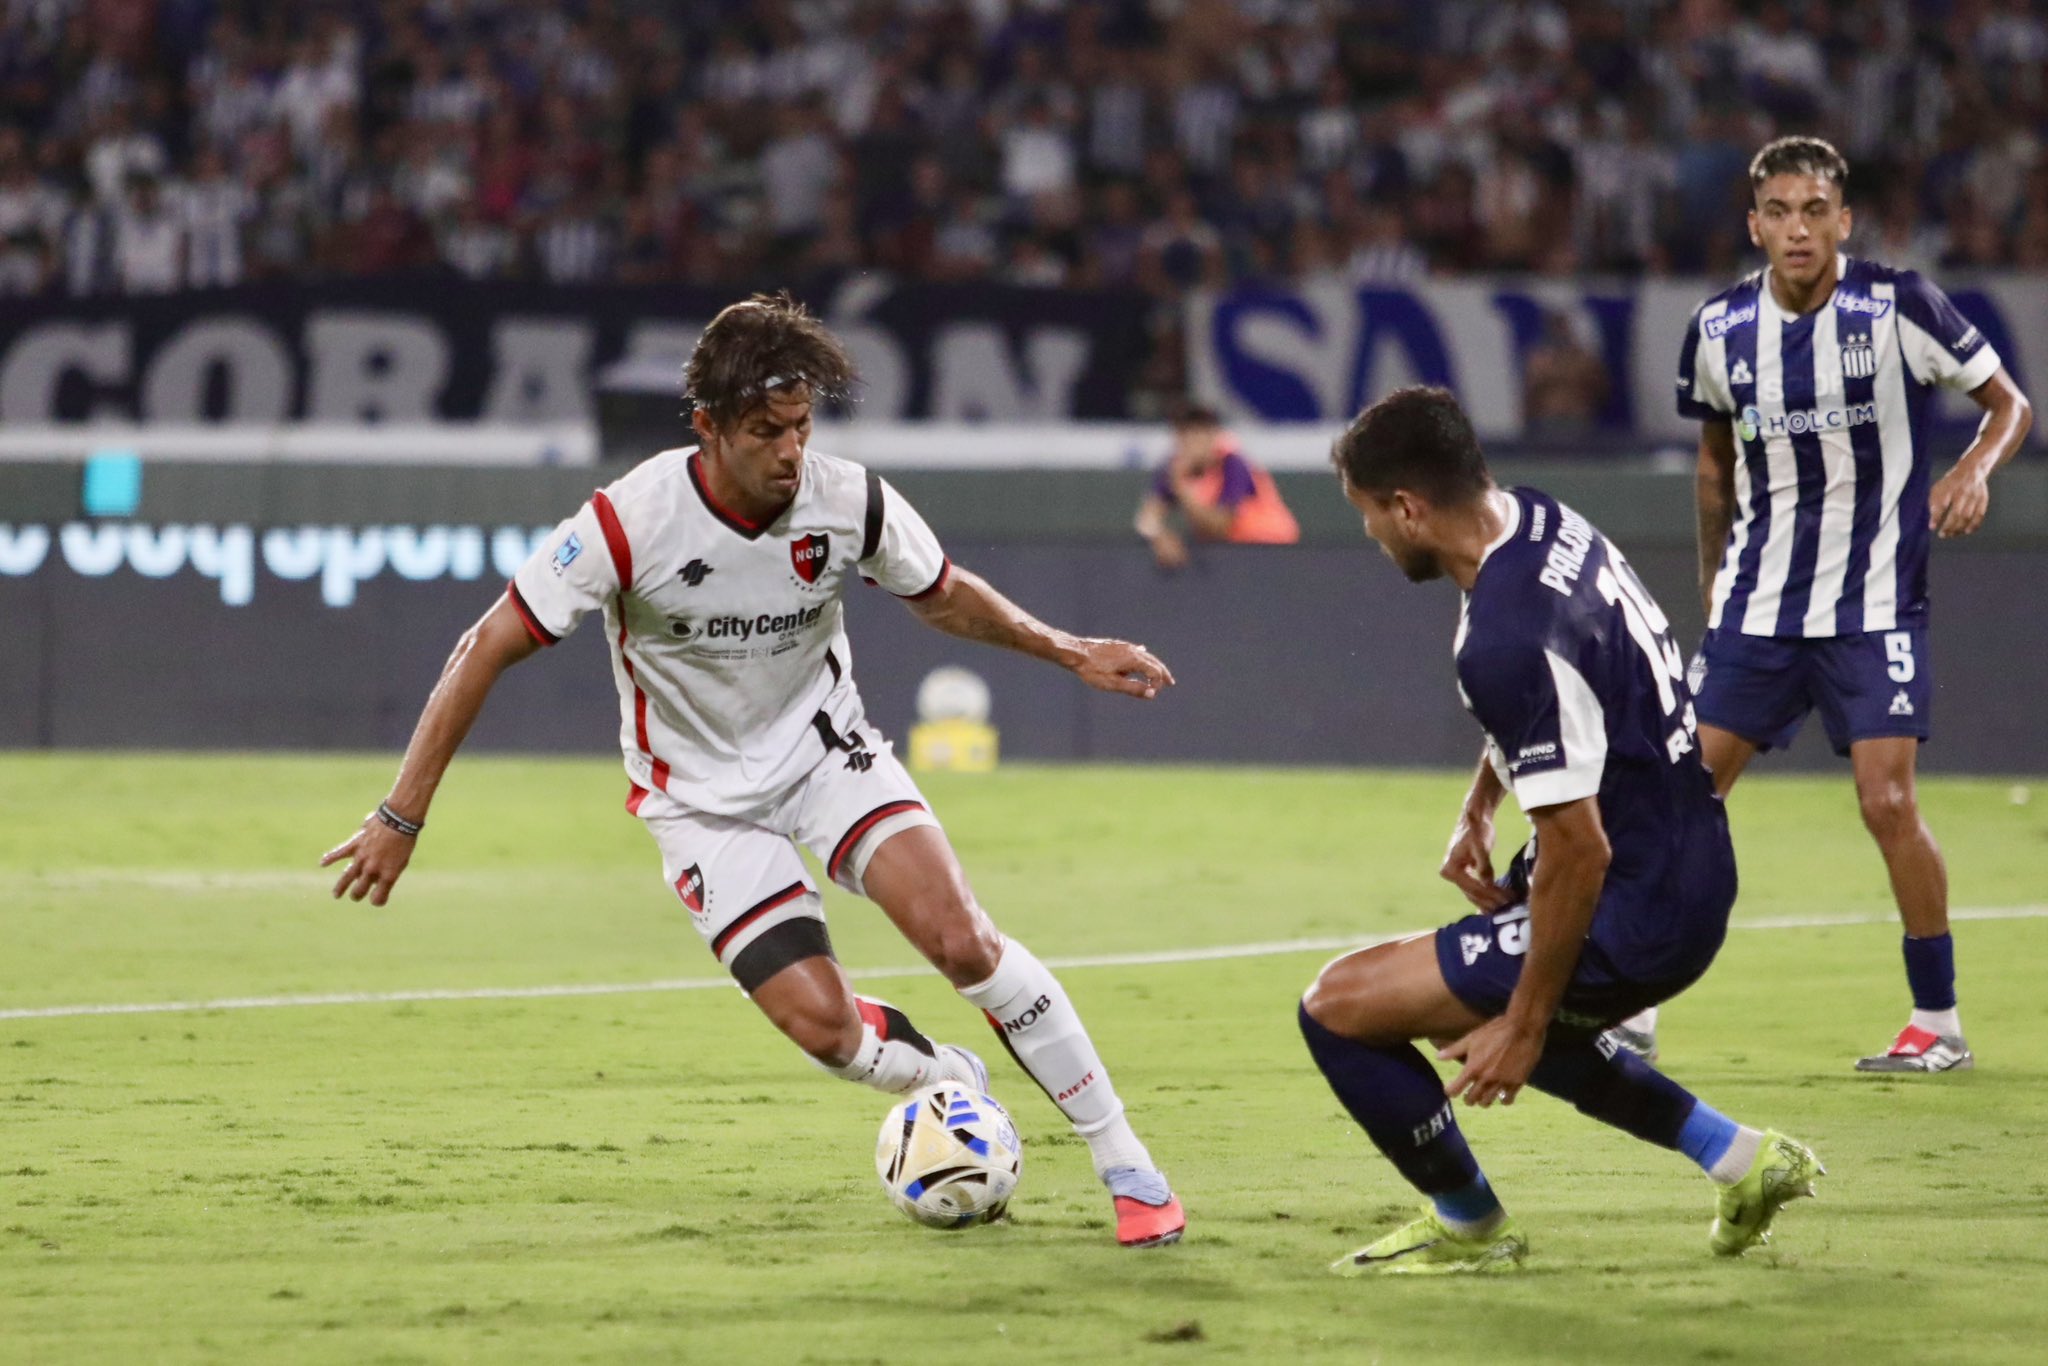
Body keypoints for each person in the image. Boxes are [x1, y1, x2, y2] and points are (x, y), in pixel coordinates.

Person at [321, 293, 1187, 1248]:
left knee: (964, 941)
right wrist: (400, 817)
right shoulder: (628, 522)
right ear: (708, 426)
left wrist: (1070, 650)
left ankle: (1127, 1163)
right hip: (698, 805)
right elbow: (485, 645)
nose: (790, 451)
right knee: (827, 1032)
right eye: (766, 431)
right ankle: (948, 1080)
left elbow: (942, 594)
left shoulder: (847, 499)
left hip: (826, 755)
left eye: (802, 425)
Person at [1299, 386, 1820, 1275]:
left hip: (1635, 901)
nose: (1371, 534)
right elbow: (1563, 694)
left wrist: (1526, 1024)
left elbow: (1581, 850)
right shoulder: (1541, 520)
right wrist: (1481, 803)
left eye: (1369, 514)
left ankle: (1469, 1225)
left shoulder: (1502, 636)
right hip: (1690, 854)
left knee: (1339, 1007)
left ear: (1409, 508)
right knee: (1489, 1000)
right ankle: (1742, 1159)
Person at [1627, 136, 2034, 1074]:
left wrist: (1974, 469)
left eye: (1815, 210)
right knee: (1680, 798)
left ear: (1844, 220)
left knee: (1887, 803)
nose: (1799, 229)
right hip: (1757, 608)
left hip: (1874, 604)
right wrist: (1713, 582)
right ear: (1755, 225)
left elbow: (2009, 404)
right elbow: (1714, 465)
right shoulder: (1721, 328)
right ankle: (1633, 1007)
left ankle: (1937, 1023)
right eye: (1779, 212)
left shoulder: (1899, 305)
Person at [1134, 403, 1299, 570]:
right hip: (1229, 556)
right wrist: (1160, 537)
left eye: (1200, 433)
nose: (1193, 443)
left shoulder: (1233, 465)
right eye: (1186, 434)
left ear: (1214, 435)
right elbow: (1146, 520)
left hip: (1272, 550)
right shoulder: (1173, 467)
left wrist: (1181, 487)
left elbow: (1219, 527)